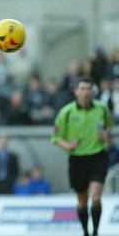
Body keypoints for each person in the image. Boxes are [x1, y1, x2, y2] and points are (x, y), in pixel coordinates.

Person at [52, 75, 114, 236]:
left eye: (88, 89)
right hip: (77, 159)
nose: (86, 92)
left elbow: (109, 127)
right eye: (82, 89)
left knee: (96, 197)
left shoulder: (102, 108)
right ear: (76, 92)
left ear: (93, 92)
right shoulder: (66, 112)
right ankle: (85, 231)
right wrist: (69, 145)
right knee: (82, 201)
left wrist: (106, 135)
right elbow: (56, 138)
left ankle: (96, 232)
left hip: (98, 157)